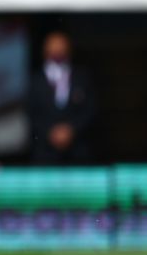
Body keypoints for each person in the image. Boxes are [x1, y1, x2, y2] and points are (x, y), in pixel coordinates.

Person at [28, 32, 96, 164]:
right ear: (45, 49)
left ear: (69, 48)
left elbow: (91, 109)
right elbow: (30, 112)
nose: (57, 50)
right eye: (53, 46)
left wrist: (71, 130)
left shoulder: (82, 77)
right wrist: (50, 132)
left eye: (61, 46)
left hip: (77, 152)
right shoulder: (35, 80)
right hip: (45, 153)